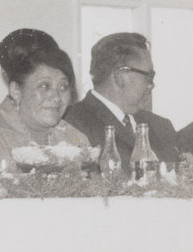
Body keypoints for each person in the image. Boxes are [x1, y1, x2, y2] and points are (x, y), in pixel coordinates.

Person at [0, 29, 90, 165]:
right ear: (16, 91)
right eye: (44, 86)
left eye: (63, 87)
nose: (56, 97)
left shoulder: (77, 139)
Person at [64, 32, 179, 163]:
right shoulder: (72, 125)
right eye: (149, 76)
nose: (152, 85)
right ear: (120, 76)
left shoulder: (161, 127)